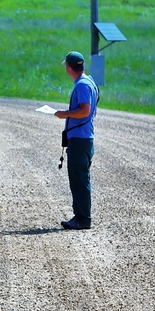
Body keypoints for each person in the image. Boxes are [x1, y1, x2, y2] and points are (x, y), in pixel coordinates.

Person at [55, 51, 99, 230]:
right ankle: (81, 216)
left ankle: (82, 218)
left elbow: (85, 110)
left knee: (79, 179)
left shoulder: (81, 85)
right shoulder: (90, 82)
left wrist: (64, 113)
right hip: (85, 137)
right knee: (80, 178)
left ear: (69, 67)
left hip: (80, 139)